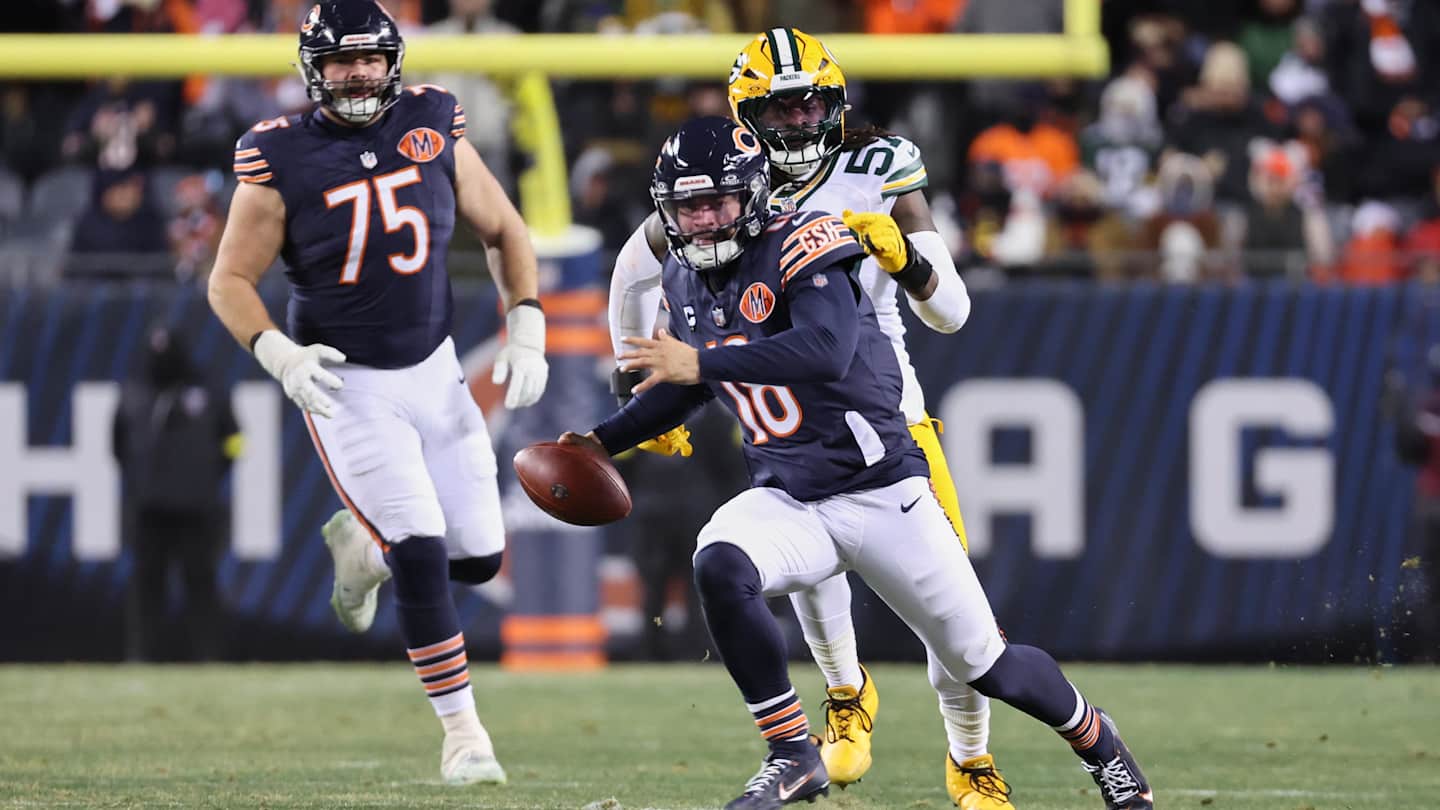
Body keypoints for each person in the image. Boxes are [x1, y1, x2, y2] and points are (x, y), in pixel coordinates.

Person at [571, 116, 1153, 810]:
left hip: (882, 493)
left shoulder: (804, 241)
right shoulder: (683, 275)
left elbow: (825, 350)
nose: (701, 220)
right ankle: (792, 755)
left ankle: (1099, 742)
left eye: (716, 202)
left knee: (985, 665)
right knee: (720, 562)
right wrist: (600, 441)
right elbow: (693, 383)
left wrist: (699, 363)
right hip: (792, 497)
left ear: (752, 194)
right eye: (686, 206)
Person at [605, 28, 999, 807]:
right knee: (805, 573)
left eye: (810, 104)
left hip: (884, 414)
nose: (797, 121)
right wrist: (633, 380)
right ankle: (845, 696)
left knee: (953, 619)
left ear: (835, 102)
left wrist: (907, 258)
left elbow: (952, 312)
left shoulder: (876, 167)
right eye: (779, 109)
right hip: (783, 413)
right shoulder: (721, 179)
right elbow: (633, 266)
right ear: (745, 115)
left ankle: (971, 757)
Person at [205, 0, 548, 786]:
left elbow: (504, 229)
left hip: (435, 366)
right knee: (422, 550)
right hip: (347, 382)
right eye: (340, 60)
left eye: (369, 57)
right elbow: (228, 280)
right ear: (312, 68)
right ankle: (464, 737)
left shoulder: (431, 119)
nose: (357, 73)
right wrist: (279, 354)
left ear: (393, 60)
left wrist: (526, 322)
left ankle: (363, 552)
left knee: (478, 559)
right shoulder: (279, 154)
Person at [113, 324, 240, 662]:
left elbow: (235, 439)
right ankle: (140, 657)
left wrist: (211, 473)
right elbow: (117, 444)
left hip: (196, 510)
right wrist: (140, 480)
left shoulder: (208, 389)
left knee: (201, 583)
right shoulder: (134, 390)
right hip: (149, 511)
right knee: (147, 585)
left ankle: (210, 658)